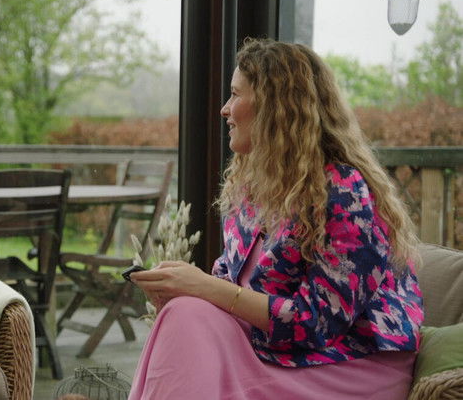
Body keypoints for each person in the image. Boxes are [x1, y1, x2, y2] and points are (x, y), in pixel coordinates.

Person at [128, 38, 424, 400]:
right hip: (269, 349)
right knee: (184, 313)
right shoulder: (250, 187)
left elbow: (317, 324)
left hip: (345, 363)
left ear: (275, 107)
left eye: (235, 95)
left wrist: (205, 288)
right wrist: (185, 289)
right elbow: (230, 285)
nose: (224, 109)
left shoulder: (344, 192)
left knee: (188, 315)